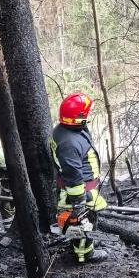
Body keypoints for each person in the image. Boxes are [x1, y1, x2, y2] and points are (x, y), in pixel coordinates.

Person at [50, 92, 109, 263]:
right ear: (78, 118)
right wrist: (78, 203)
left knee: (83, 222)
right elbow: (73, 175)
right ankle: (84, 254)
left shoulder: (66, 131)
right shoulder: (69, 143)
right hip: (79, 192)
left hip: (85, 188)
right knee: (84, 221)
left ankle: (81, 245)